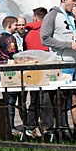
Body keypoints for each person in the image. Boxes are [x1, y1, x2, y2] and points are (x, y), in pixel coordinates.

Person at [41, 0, 76, 142]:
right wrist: (68, 45)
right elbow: (45, 38)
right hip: (63, 63)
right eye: (74, 1)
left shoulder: (75, 15)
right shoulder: (53, 15)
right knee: (60, 99)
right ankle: (59, 130)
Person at [23, 7, 54, 138]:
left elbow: (25, 52)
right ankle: (49, 129)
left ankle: (30, 126)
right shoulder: (48, 31)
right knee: (47, 100)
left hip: (32, 69)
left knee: (34, 99)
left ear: (35, 18)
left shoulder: (27, 33)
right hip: (47, 68)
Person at [0, 16, 22, 137]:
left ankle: (6, 124)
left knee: (6, 98)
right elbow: (13, 55)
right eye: (16, 25)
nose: (18, 27)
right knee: (12, 99)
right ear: (9, 25)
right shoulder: (10, 38)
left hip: (1, 69)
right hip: (10, 70)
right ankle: (11, 126)